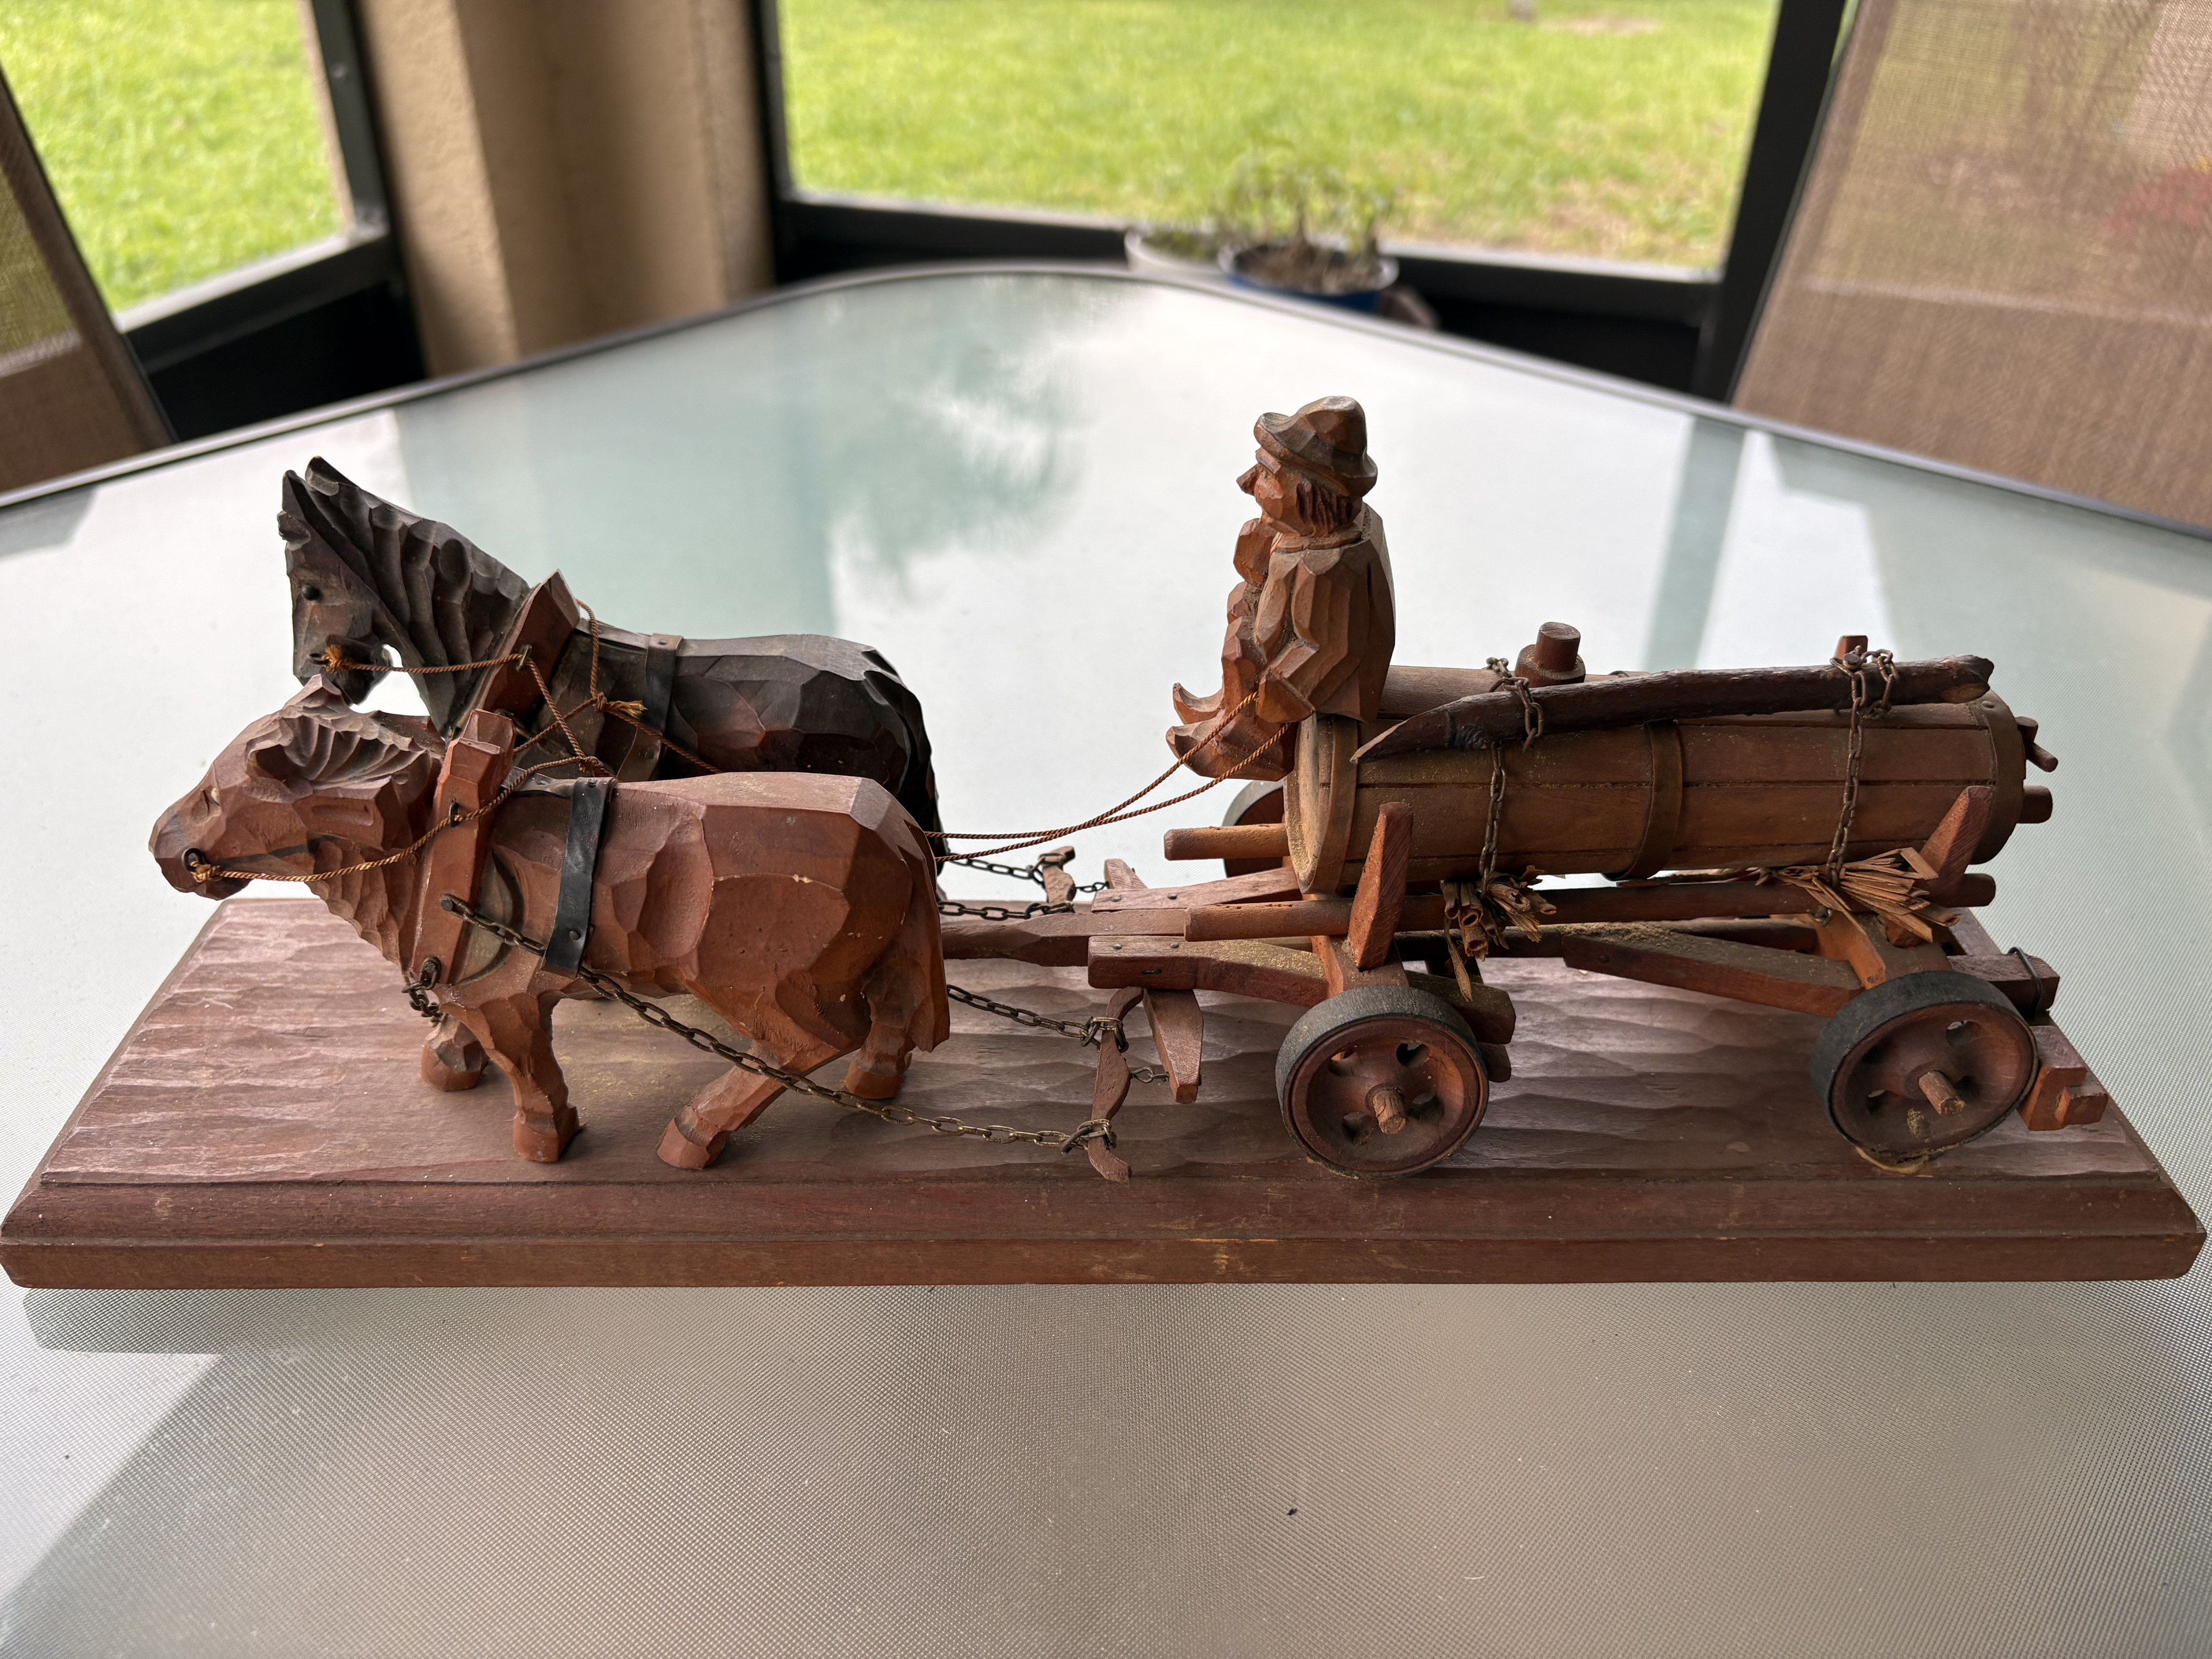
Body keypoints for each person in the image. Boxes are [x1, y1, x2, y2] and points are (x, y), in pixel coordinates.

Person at [1169, 395, 1396, 778]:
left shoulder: (1332, 567)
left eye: (1266, 475)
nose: (1246, 483)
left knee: (1242, 650)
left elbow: (1329, 651)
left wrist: (1278, 692)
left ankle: (1253, 745)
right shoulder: (1308, 531)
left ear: (1310, 494)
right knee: (1240, 615)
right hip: (1275, 646)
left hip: (1322, 688)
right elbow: (1261, 573)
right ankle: (1226, 710)